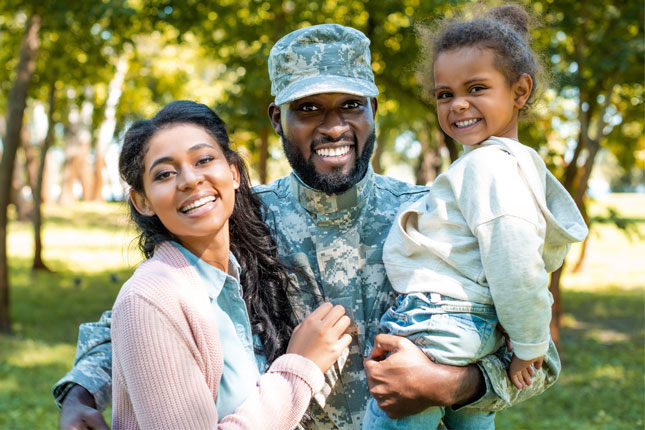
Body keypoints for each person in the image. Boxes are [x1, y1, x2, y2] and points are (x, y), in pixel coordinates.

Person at [54, 24, 562, 430]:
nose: (333, 125)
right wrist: (79, 394)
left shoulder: (431, 216)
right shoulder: (242, 218)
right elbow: (149, 312)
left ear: (374, 112)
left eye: (350, 105)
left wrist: (448, 385)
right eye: (308, 109)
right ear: (277, 119)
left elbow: (540, 358)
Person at [362, 6, 588, 430]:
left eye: (477, 88)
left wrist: (530, 345)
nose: (457, 104)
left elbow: (515, 264)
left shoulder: (488, 168)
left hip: (436, 322)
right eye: (444, 94)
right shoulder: (512, 165)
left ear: (520, 92)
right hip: (477, 328)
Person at [109, 100, 352, 428]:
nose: (190, 180)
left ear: (234, 172)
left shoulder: (241, 273)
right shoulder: (150, 299)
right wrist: (299, 367)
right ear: (142, 202)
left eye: (204, 159)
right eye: (165, 173)